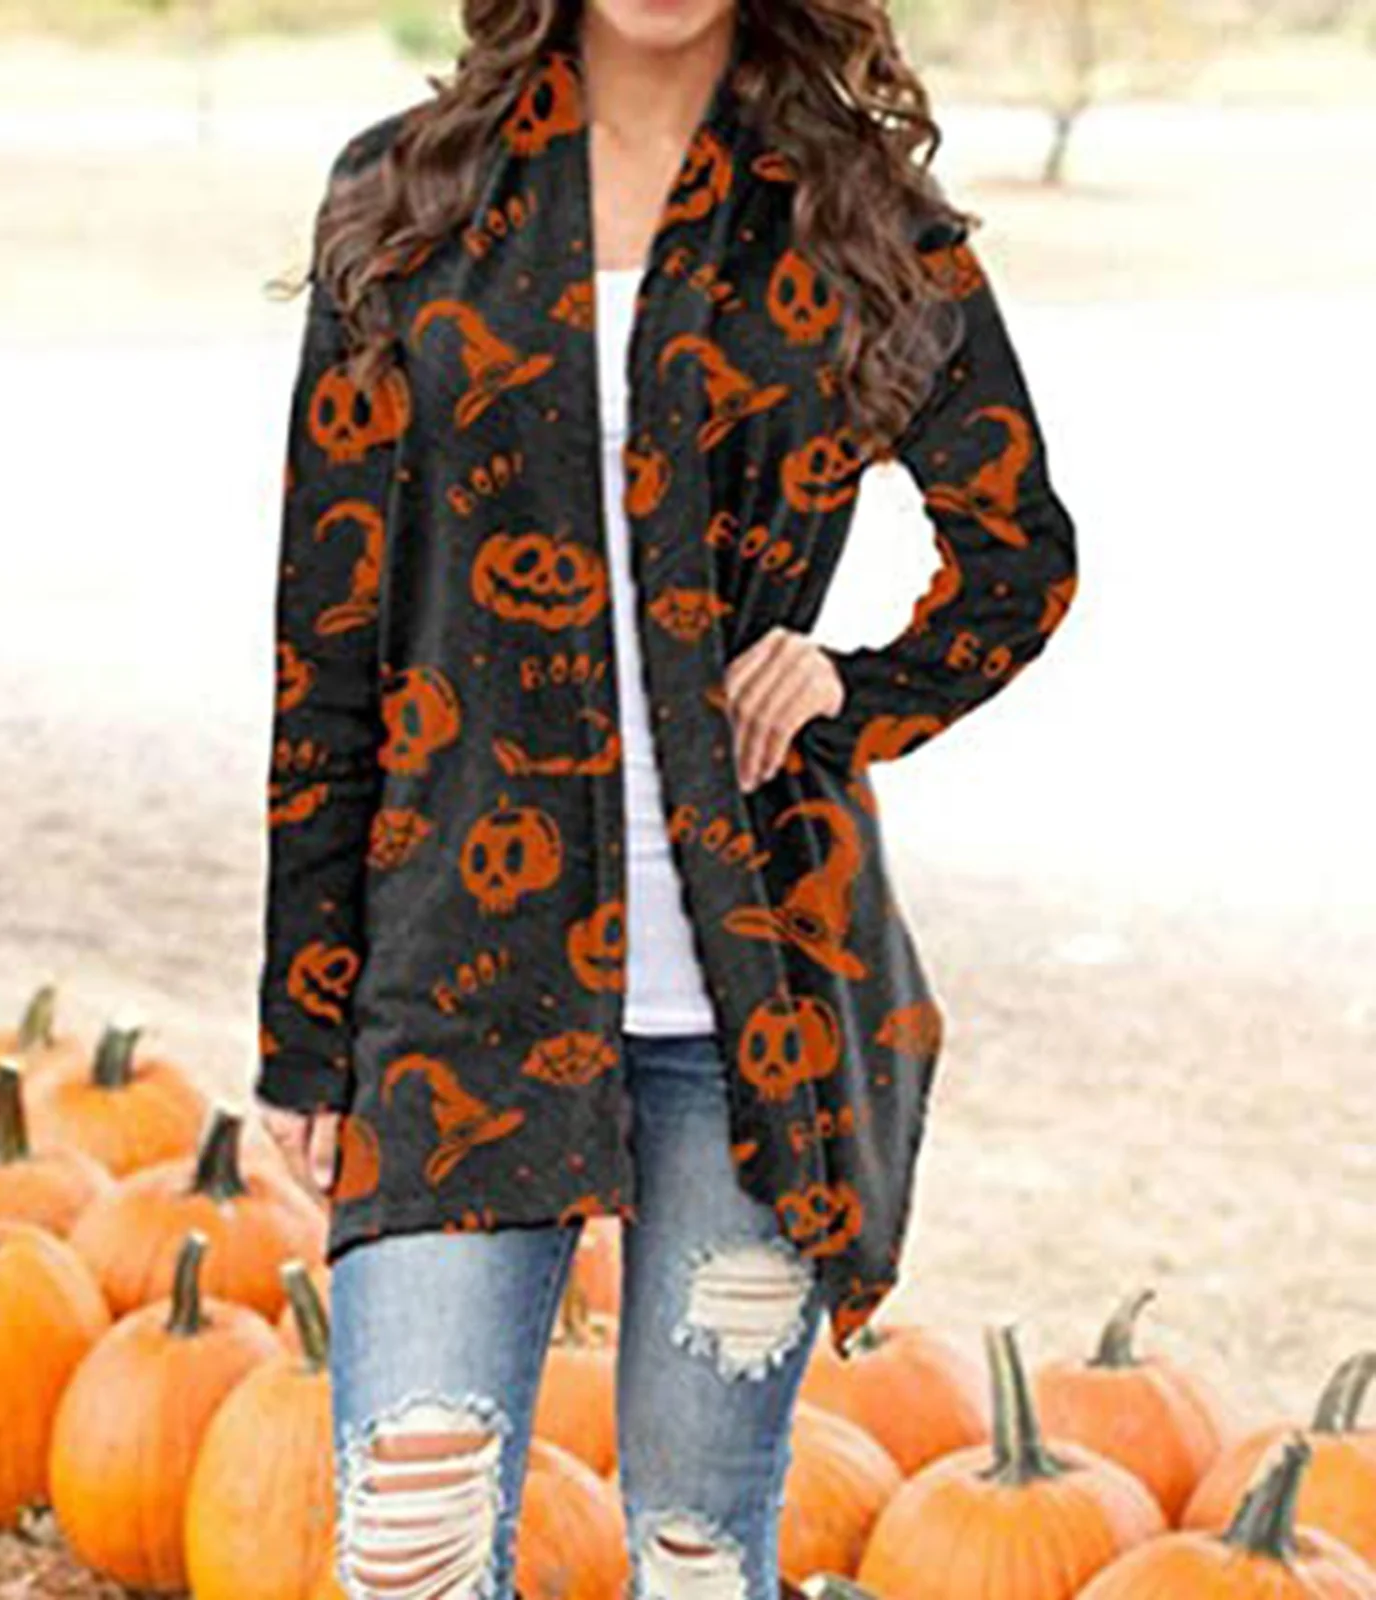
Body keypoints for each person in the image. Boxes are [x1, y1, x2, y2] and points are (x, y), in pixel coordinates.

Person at [255, 1, 1080, 1594]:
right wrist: (306, 1014)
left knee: (700, 1552)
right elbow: (329, 633)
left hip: (753, 1003)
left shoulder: (854, 215)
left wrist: (853, 685)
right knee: (409, 1549)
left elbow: (1019, 558)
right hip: (453, 984)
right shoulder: (409, 193)